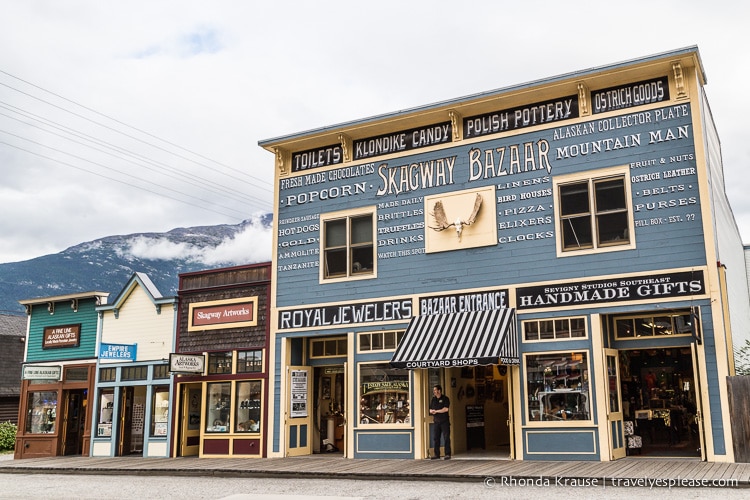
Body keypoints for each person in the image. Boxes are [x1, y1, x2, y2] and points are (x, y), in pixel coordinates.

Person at [429, 384, 451, 460]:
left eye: (435, 390)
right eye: (434, 390)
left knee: (446, 437)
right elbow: (430, 409)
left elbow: (446, 409)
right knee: (436, 438)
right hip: (436, 421)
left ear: (439, 391)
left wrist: (437, 411)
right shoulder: (433, 399)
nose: (434, 391)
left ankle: (447, 454)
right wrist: (432, 411)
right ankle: (436, 454)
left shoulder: (445, 399)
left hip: (444, 421)